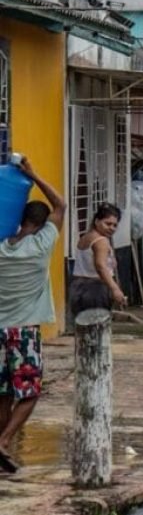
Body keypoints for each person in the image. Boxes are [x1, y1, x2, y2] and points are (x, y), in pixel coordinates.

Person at [0, 156, 66, 473]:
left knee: (3, 392)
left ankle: (1, 442)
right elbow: (61, 205)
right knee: (29, 391)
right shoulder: (41, 245)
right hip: (24, 331)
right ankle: (3, 441)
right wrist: (33, 173)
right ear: (41, 224)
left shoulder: (1, 248)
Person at [70, 203, 127, 324]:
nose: (111, 228)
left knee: (83, 330)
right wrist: (115, 288)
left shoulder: (86, 237)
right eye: (108, 223)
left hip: (77, 287)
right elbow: (100, 266)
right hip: (95, 290)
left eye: (115, 225)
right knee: (97, 330)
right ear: (97, 221)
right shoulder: (101, 241)